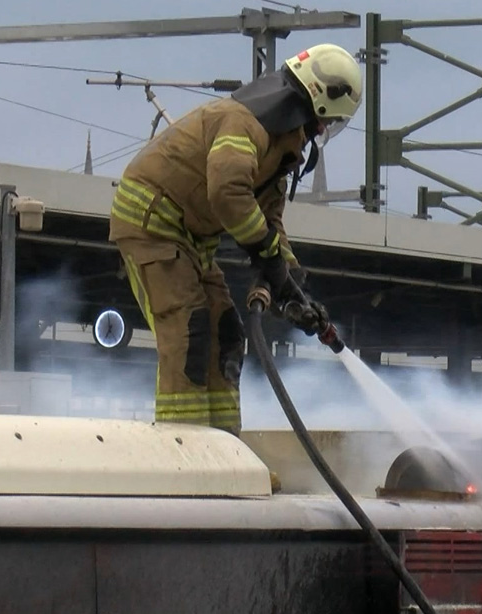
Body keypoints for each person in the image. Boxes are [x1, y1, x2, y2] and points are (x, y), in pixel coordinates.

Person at [108, 43, 363, 435]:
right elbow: (227, 193)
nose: (324, 131)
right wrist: (268, 257)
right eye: (327, 122)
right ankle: (182, 456)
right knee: (189, 330)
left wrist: (293, 285)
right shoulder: (243, 124)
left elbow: (269, 223)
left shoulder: (279, 146)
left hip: (190, 242)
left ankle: (227, 454)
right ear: (319, 107)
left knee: (227, 332)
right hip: (151, 225)